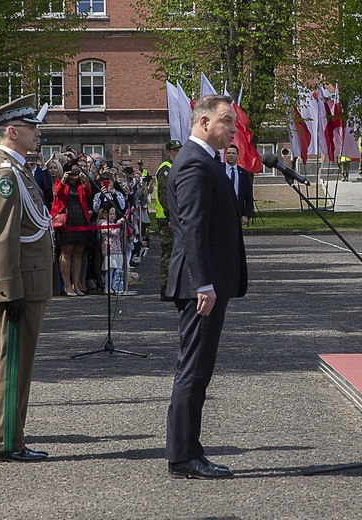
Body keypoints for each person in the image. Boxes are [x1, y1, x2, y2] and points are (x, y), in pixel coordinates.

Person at [165, 94, 248, 479]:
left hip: (208, 282)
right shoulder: (195, 164)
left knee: (199, 369)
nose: (233, 129)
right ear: (203, 123)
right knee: (193, 370)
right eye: (227, 122)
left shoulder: (205, 161)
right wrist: (204, 284)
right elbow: (193, 230)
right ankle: (183, 456)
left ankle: (188, 451)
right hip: (201, 285)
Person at [0, 94, 52, 462]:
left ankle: (14, 437)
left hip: (29, 279)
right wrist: (9, 288)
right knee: (13, 367)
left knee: (21, 367)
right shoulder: (6, 173)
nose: (37, 134)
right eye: (31, 128)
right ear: (12, 131)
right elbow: (3, 236)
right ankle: (6, 442)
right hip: (20, 282)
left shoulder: (17, 168)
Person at [50, 162, 92, 296]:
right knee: (66, 252)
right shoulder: (60, 183)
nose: (74, 177)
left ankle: (76, 284)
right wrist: (63, 180)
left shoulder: (80, 184)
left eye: (76, 174)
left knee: (78, 253)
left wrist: (85, 182)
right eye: (72, 174)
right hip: (66, 221)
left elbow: (88, 193)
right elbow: (57, 193)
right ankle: (67, 285)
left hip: (80, 219)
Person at [156, 139, 181, 301]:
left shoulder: (174, 168)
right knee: (169, 254)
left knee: (174, 253)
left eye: (179, 150)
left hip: (173, 217)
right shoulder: (165, 169)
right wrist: (171, 217)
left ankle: (174, 288)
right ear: (168, 152)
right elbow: (165, 197)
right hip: (167, 218)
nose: (177, 153)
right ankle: (167, 290)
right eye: (174, 151)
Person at [96, 207, 125, 293]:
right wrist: (118, 223)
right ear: (104, 215)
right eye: (110, 214)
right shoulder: (103, 224)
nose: (112, 216)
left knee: (117, 269)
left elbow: (118, 234)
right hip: (109, 249)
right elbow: (113, 232)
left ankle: (115, 286)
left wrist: (121, 227)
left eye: (113, 214)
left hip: (117, 248)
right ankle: (107, 287)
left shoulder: (112, 223)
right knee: (110, 269)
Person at [224, 144, 254, 226]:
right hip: (222, 210)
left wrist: (246, 215)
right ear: (225, 155)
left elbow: (249, 197)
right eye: (228, 153)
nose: (230, 155)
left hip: (238, 211)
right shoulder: (219, 169)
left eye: (233, 153)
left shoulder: (244, 173)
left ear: (237, 156)